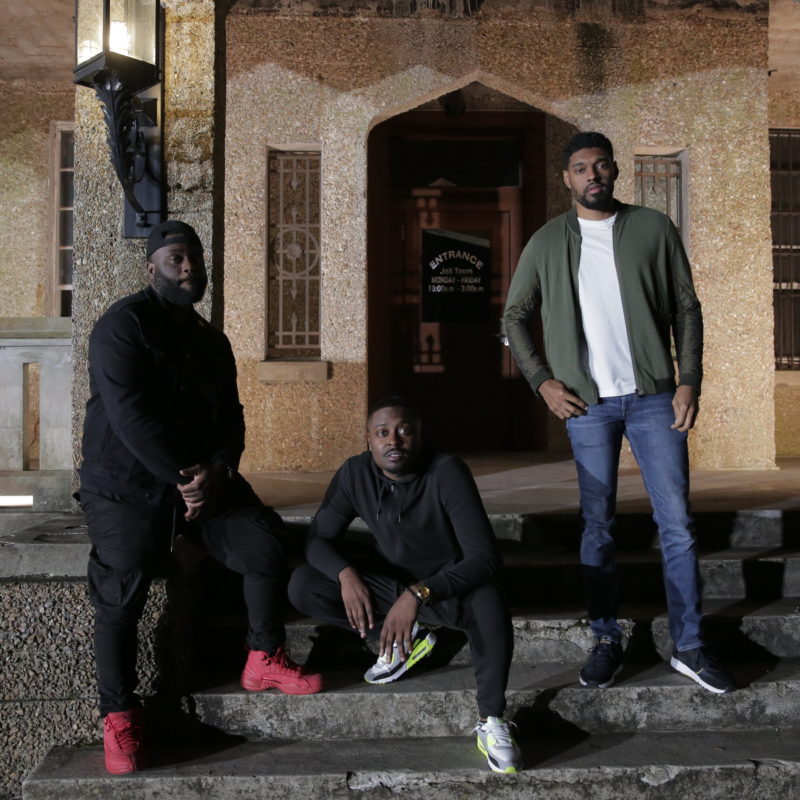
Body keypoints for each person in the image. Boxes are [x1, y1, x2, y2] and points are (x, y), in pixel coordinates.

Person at [78, 220, 322, 776]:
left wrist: (220, 469)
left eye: (195, 260)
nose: (189, 268)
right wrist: (181, 479)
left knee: (263, 544)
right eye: (176, 259)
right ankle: (117, 714)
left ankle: (263, 655)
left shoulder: (211, 340)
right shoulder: (122, 326)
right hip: (126, 485)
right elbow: (130, 416)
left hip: (203, 482)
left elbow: (232, 419)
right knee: (122, 587)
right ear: (152, 267)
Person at [502, 132, 733, 695]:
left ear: (614, 172)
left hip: (656, 398)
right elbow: (514, 316)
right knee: (598, 527)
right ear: (567, 178)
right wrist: (543, 382)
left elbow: (687, 307)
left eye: (601, 166)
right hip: (588, 406)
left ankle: (690, 644)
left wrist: (688, 382)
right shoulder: (548, 240)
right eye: (581, 168)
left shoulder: (653, 229)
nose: (592, 176)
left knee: (676, 524)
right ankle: (606, 639)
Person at [288, 397, 521, 774]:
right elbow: (317, 541)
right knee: (305, 584)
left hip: (445, 587)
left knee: (490, 600)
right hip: (392, 583)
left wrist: (419, 594)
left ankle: (491, 719)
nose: (392, 440)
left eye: (403, 431)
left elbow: (485, 559)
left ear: (419, 436)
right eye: (382, 433)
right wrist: (345, 574)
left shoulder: (446, 471)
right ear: (368, 440)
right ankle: (396, 638)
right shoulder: (354, 473)